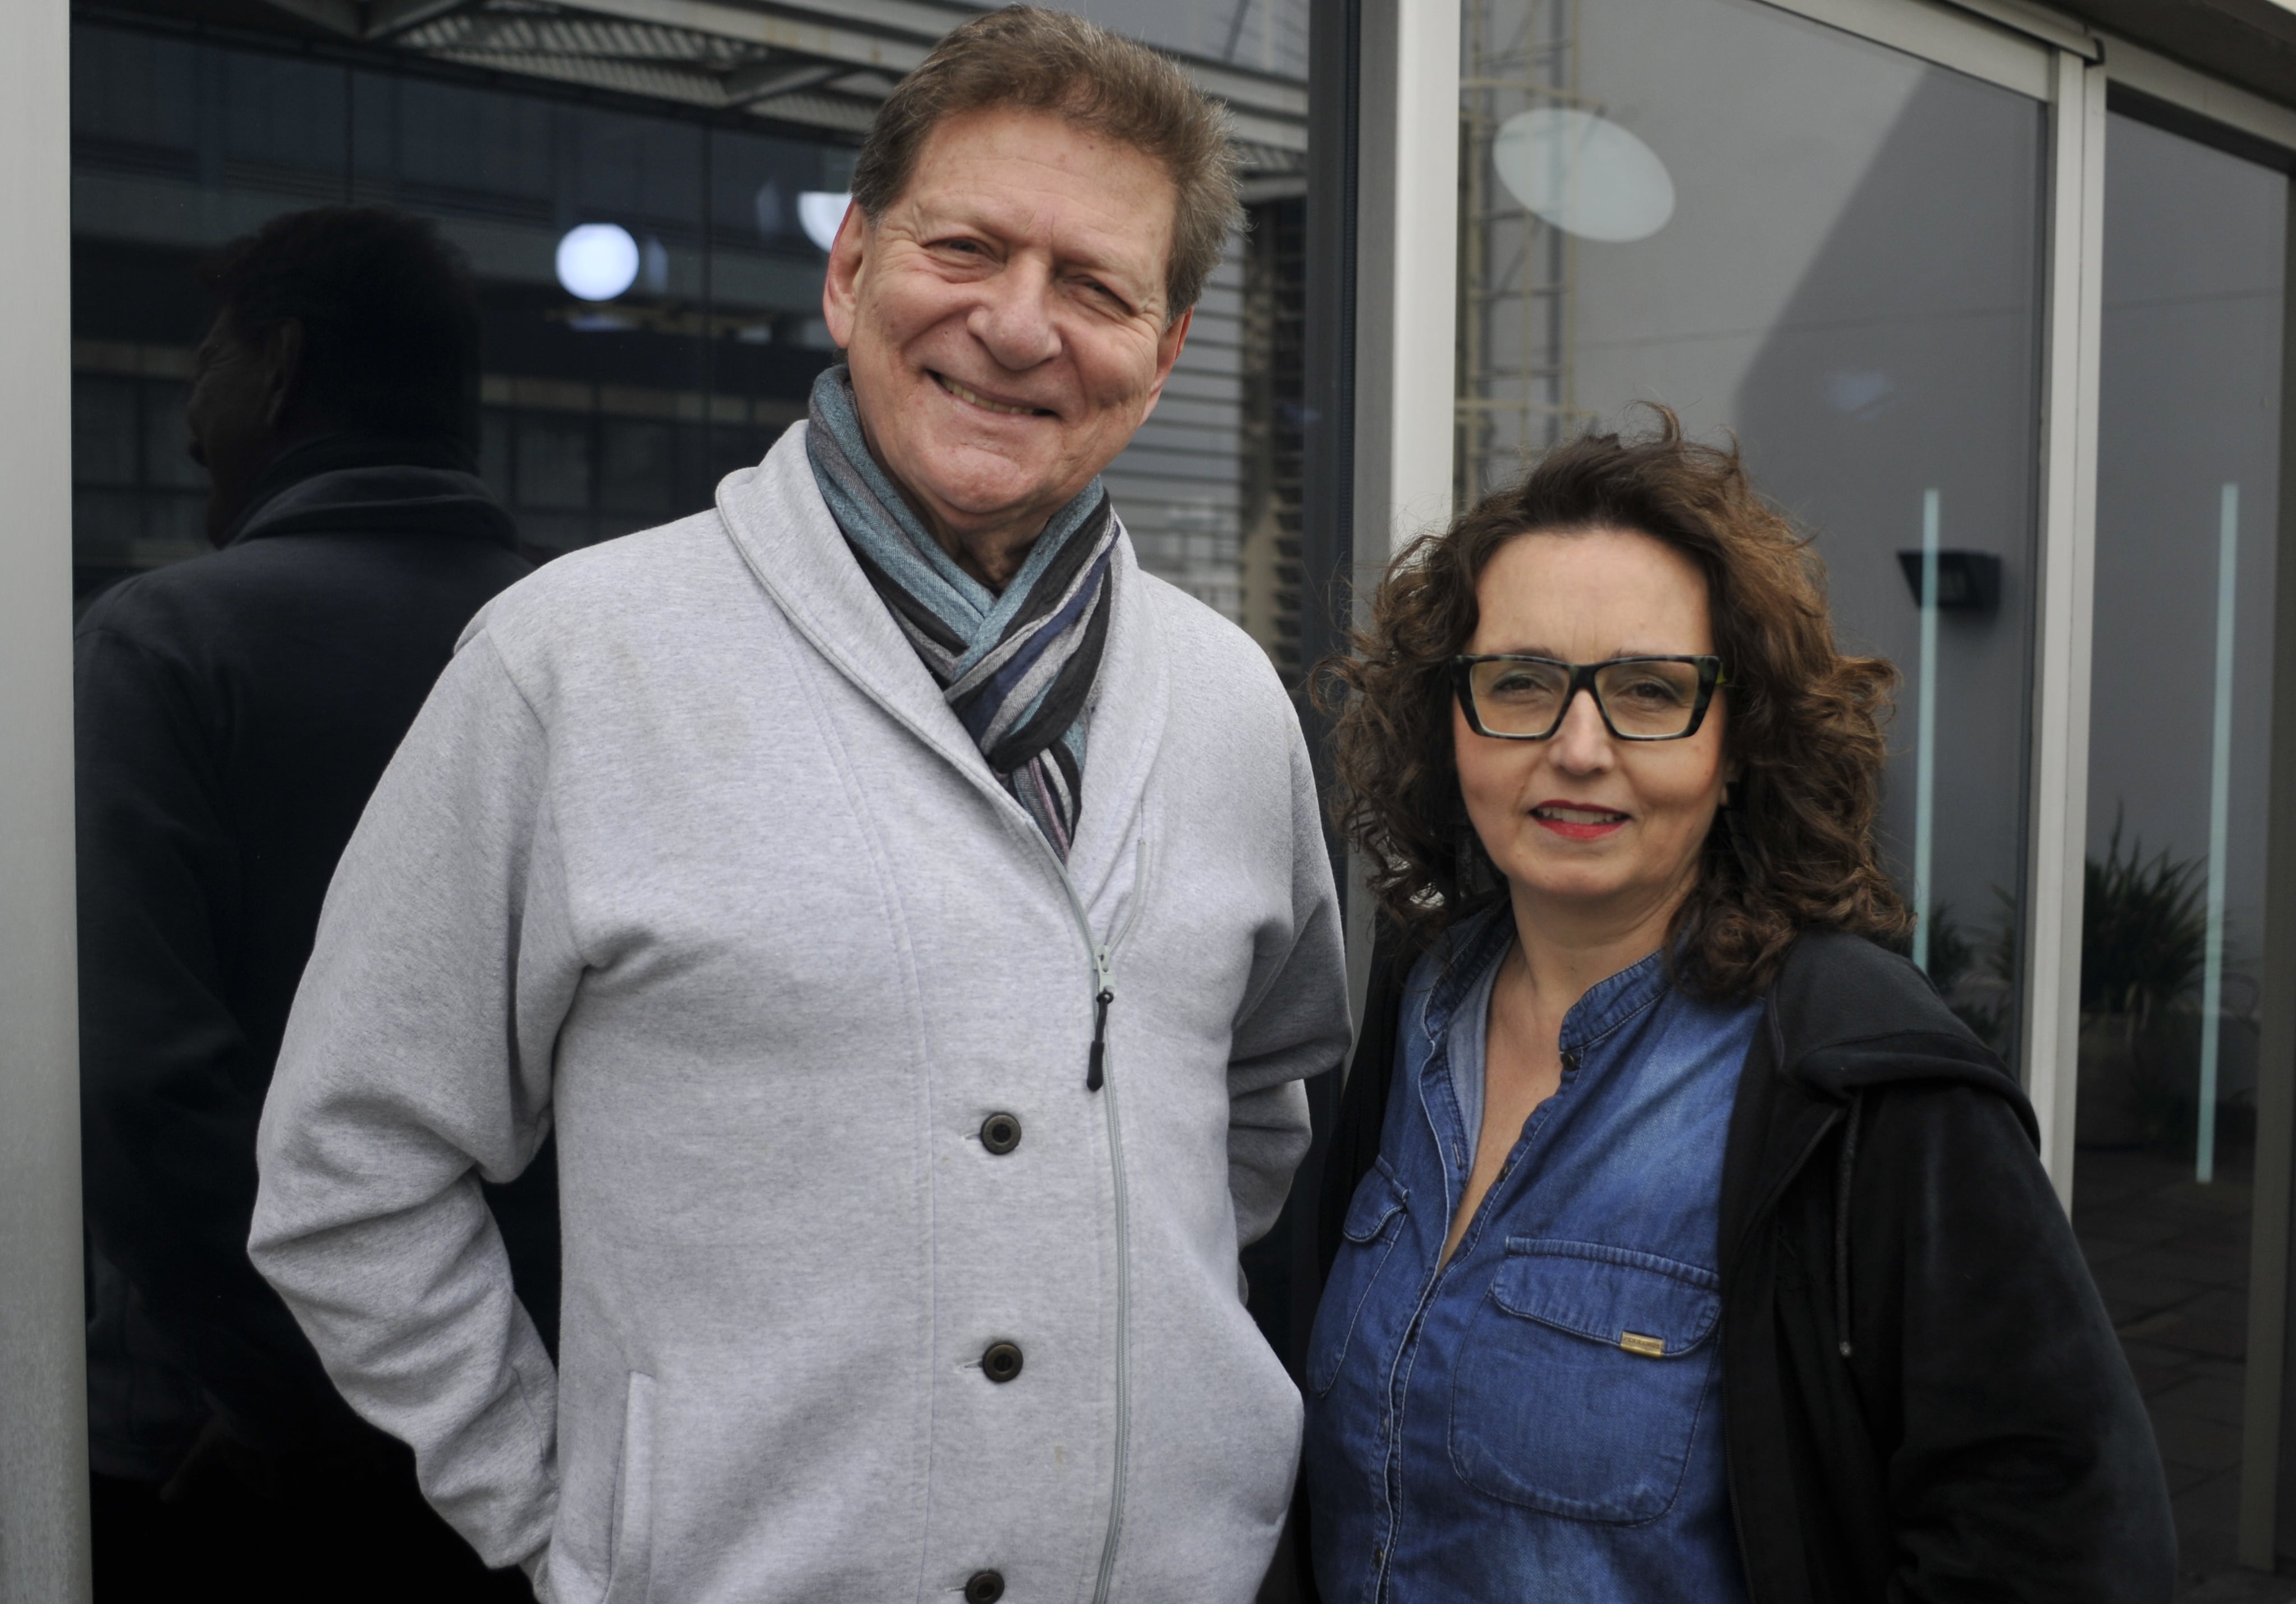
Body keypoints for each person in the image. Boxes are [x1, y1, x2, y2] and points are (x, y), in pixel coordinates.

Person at [246, 10, 1351, 1603]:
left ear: (1165, 351)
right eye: (965, 248)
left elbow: (1255, 1105)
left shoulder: (1232, 703)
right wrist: (566, 1522)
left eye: (1095, 287)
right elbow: (351, 1167)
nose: (1017, 325)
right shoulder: (574, 665)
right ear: (849, 270)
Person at [1299, 421, 2176, 1602]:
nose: (1577, 747)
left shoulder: (1855, 1080)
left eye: (1648, 691)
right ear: (1447, 720)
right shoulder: (1420, 1006)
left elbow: (2064, 1544)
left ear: (1739, 742)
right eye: (1520, 682)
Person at [76, 206, 543, 1602]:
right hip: (544, 1438)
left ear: (278, 368)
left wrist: (305, 1409)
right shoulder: (591, 656)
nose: (188, 422)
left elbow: (145, 1088)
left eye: (204, 366)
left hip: (228, 1454)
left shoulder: (166, 647)